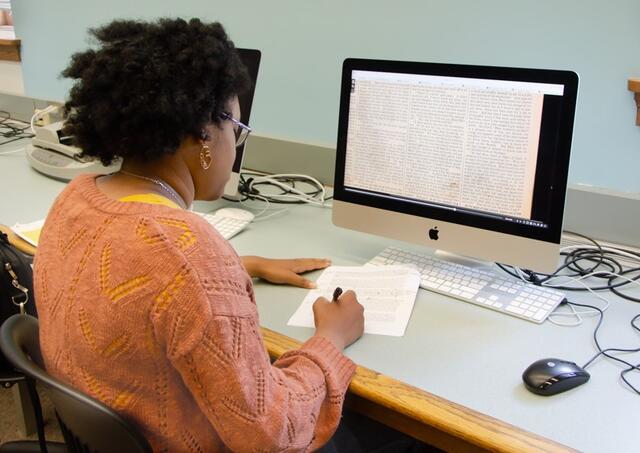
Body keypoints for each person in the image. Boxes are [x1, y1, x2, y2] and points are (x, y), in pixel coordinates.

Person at [34, 18, 365, 452]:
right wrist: (331, 340)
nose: (236, 144)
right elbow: (272, 433)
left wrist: (239, 267)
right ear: (204, 133)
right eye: (237, 129)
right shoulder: (189, 256)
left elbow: (129, 273)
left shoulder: (76, 199)